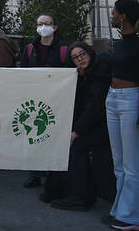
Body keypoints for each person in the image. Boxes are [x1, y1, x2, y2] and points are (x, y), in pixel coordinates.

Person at [103, 0, 139, 231]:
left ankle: (133, 216)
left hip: (131, 100)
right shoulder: (120, 42)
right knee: (119, 161)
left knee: (132, 162)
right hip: (113, 98)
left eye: (114, 11)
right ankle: (120, 209)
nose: (111, 14)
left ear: (122, 16)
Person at [49, 42, 114, 212]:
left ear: (89, 53)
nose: (80, 59)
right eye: (75, 58)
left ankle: (80, 197)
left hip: (103, 124)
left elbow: (95, 106)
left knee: (76, 148)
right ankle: (76, 194)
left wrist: (76, 132)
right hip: (95, 123)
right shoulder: (86, 74)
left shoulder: (99, 71)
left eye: (82, 55)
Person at [18, 12, 69, 190]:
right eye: (40, 24)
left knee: (51, 135)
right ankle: (35, 174)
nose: (43, 27)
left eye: (47, 23)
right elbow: (22, 71)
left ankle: (52, 174)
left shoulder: (64, 49)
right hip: (34, 100)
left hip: (56, 100)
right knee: (34, 135)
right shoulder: (30, 48)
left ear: (55, 27)